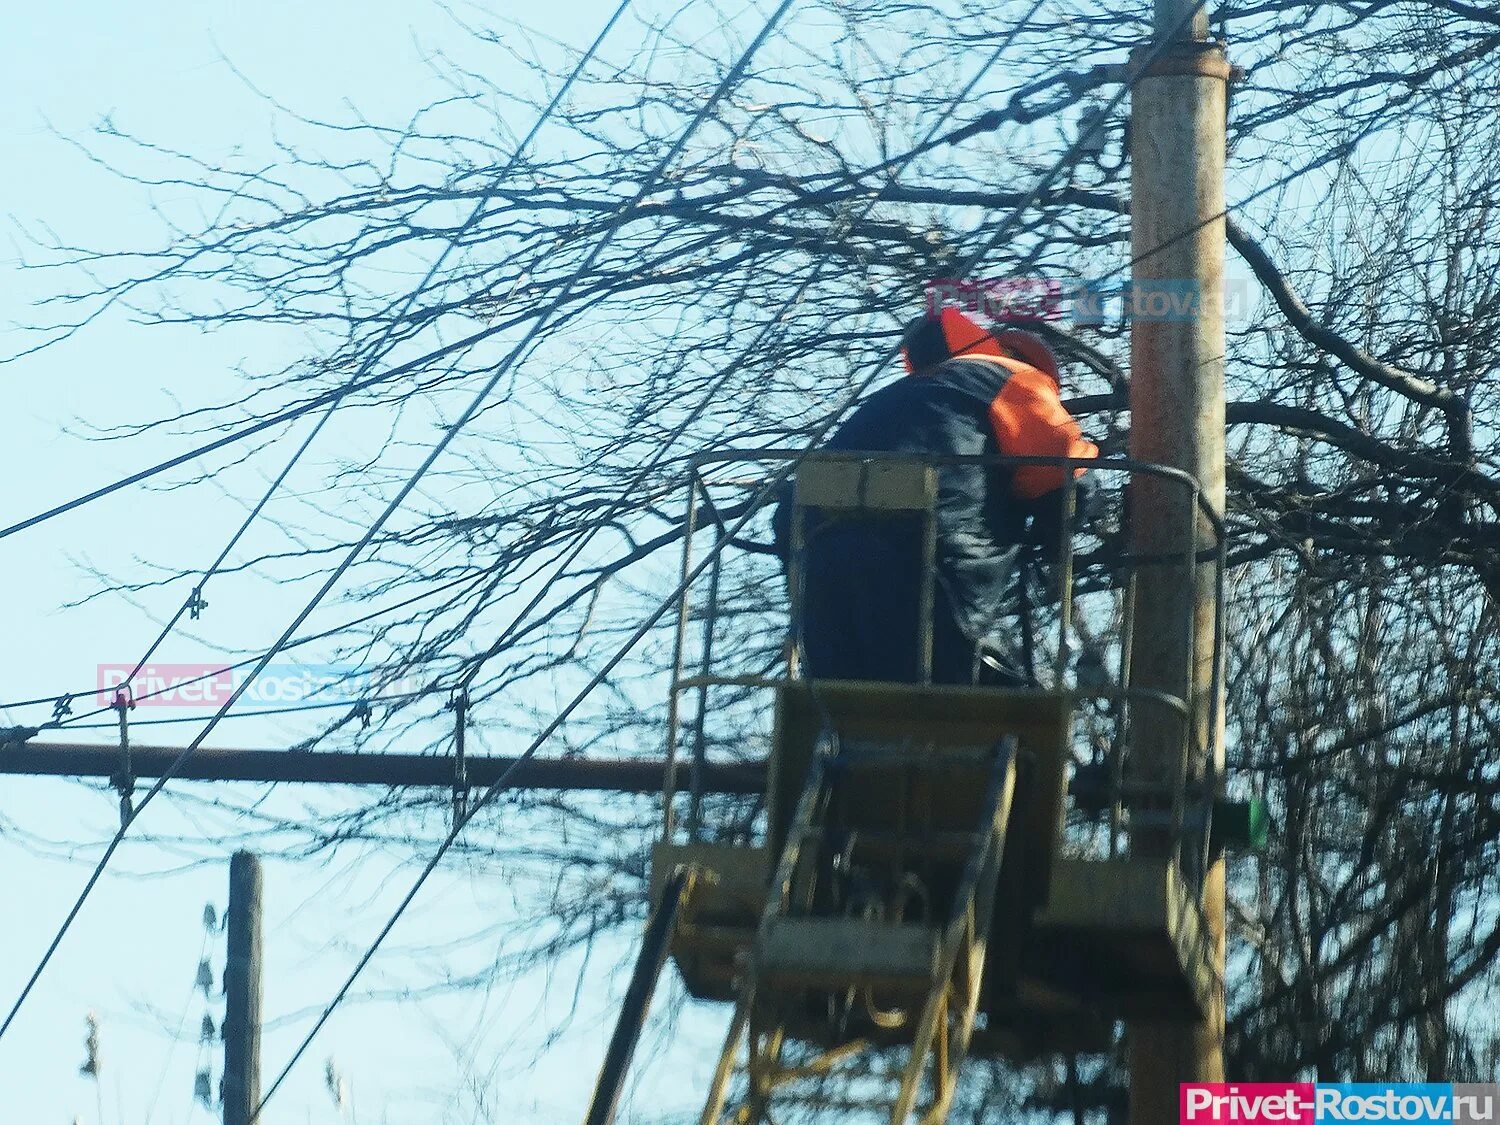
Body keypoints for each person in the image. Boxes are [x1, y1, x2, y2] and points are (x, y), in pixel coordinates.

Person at [776, 306, 1099, 685]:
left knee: (855, 714)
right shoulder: (1014, 377)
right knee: (1003, 715)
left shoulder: (892, 398)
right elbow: (1067, 477)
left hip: (820, 582)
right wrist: (1083, 516)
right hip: (930, 581)